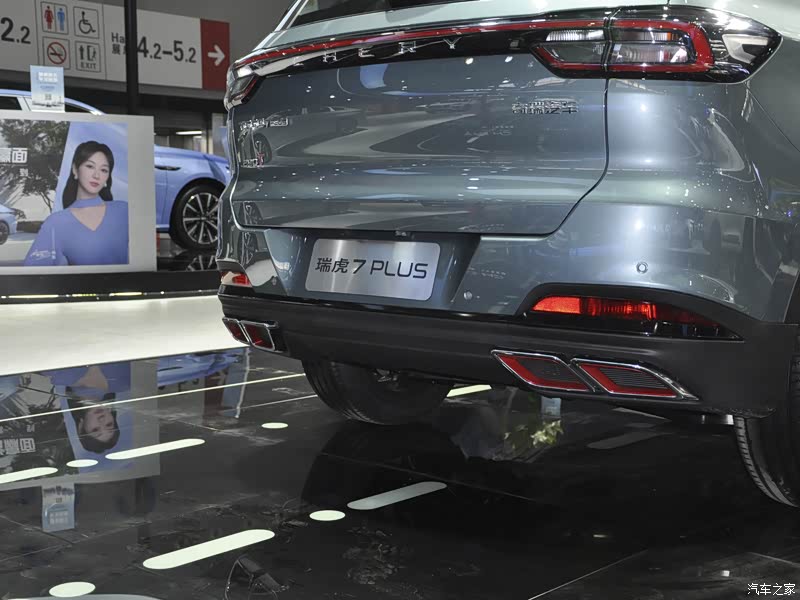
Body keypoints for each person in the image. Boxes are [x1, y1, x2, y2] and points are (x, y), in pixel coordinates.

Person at [24, 141, 128, 266]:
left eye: (104, 170)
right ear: (75, 169)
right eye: (90, 166)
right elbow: (33, 272)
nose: (97, 175)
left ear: (108, 177)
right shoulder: (56, 222)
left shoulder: (124, 211)